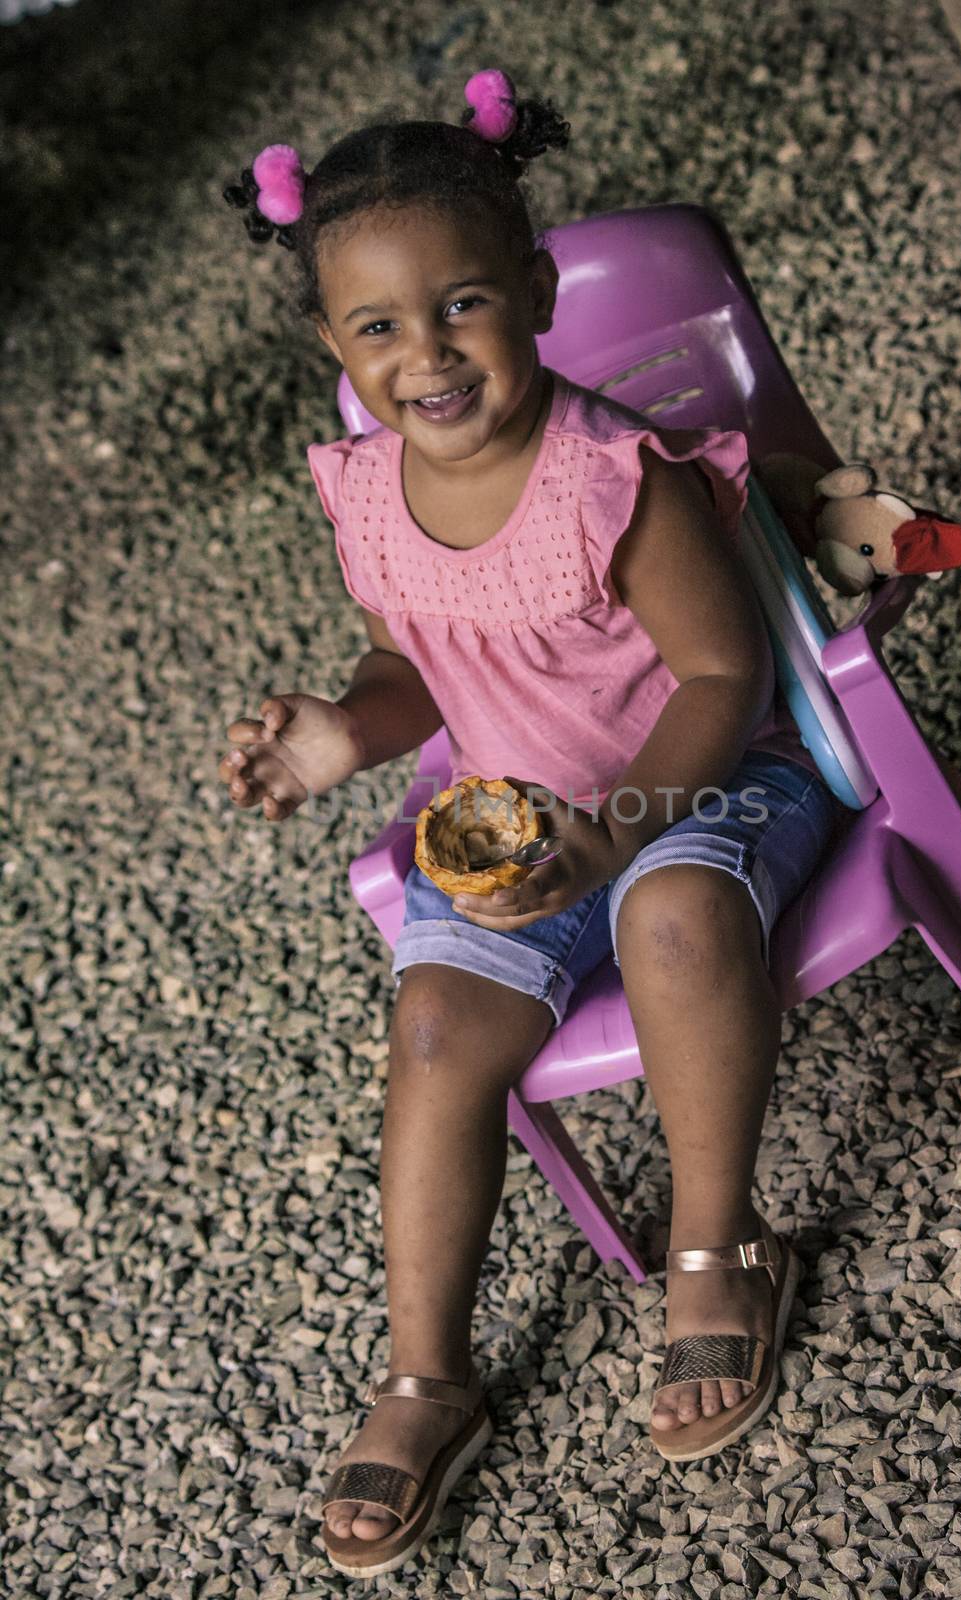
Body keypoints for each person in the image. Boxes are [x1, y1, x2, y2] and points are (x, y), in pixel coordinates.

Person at [219, 68, 846, 1577]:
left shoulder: (607, 479)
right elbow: (409, 667)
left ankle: (716, 1247)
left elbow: (723, 669)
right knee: (433, 1032)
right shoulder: (366, 494)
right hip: (508, 817)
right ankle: (428, 1372)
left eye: (465, 306)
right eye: (378, 328)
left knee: (676, 916)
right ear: (333, 346)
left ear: (540, 292)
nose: (426, 355)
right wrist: (339, 734)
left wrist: (624, 829)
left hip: (697, 781)